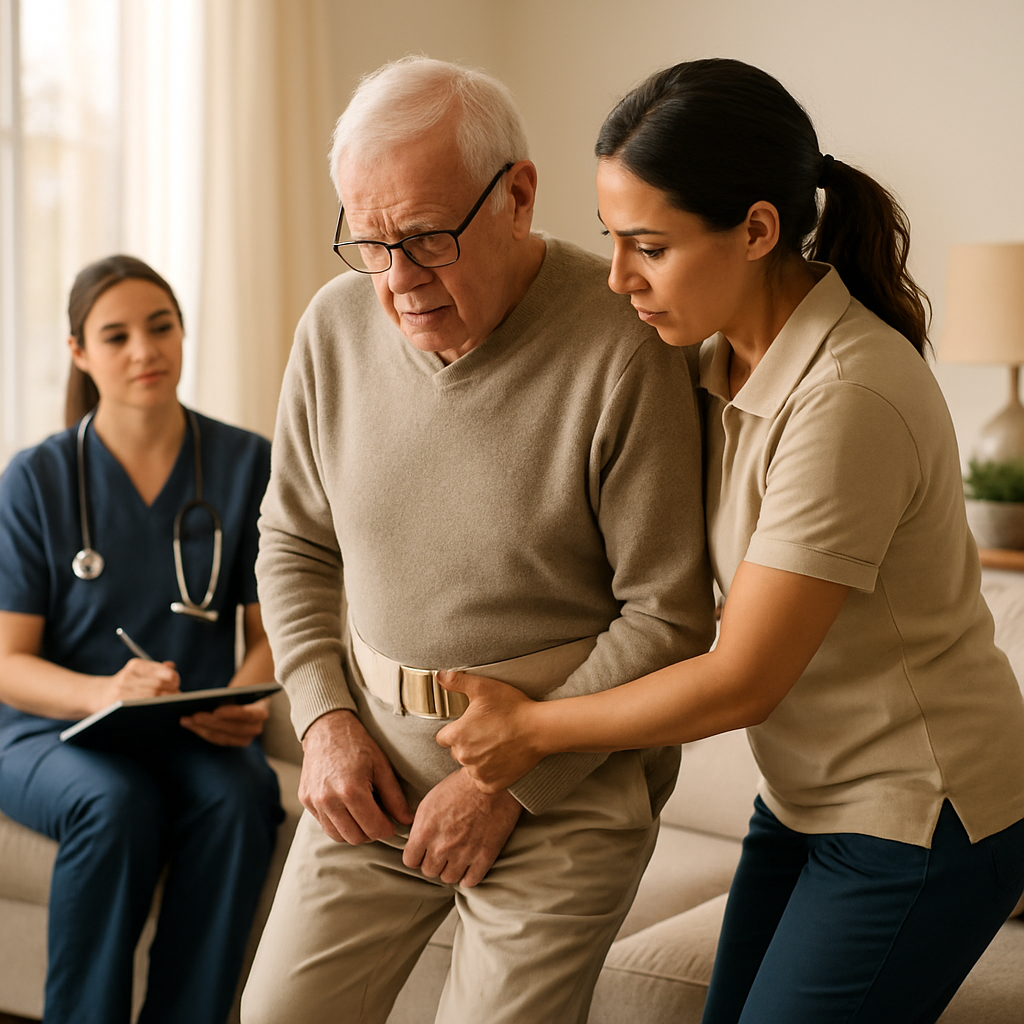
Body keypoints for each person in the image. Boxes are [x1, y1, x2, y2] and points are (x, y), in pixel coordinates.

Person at [436, 58, 1024, 1024]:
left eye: (649, 248)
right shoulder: (708, 360)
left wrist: (533, 730)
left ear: (756, 231)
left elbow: (744, 676)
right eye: (610, 243)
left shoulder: (848, 397)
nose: (620, 278)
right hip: (802, 800)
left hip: (923, 815)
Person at [242, 56, 714, 1024]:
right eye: (369, 243)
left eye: (425, 237)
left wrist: (507, 780)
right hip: (368, 770)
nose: (398, 281)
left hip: (559, 793)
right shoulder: (333, 327)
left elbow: (667, 613)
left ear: (518, 195)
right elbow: (292, 539)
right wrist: (326, 723)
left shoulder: (625, 344)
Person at [0, 255, 285, 1024]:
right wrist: (105, 693)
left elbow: (270, 633)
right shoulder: (37, 480)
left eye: (160, 327)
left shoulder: (246, 464)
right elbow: (8, 665)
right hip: (49, 733)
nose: (143, 350)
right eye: (116, 335)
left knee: (245, 796)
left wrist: (246, 700)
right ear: (79, 354)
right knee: (112, 801)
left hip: (188, 726)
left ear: (184, 332)